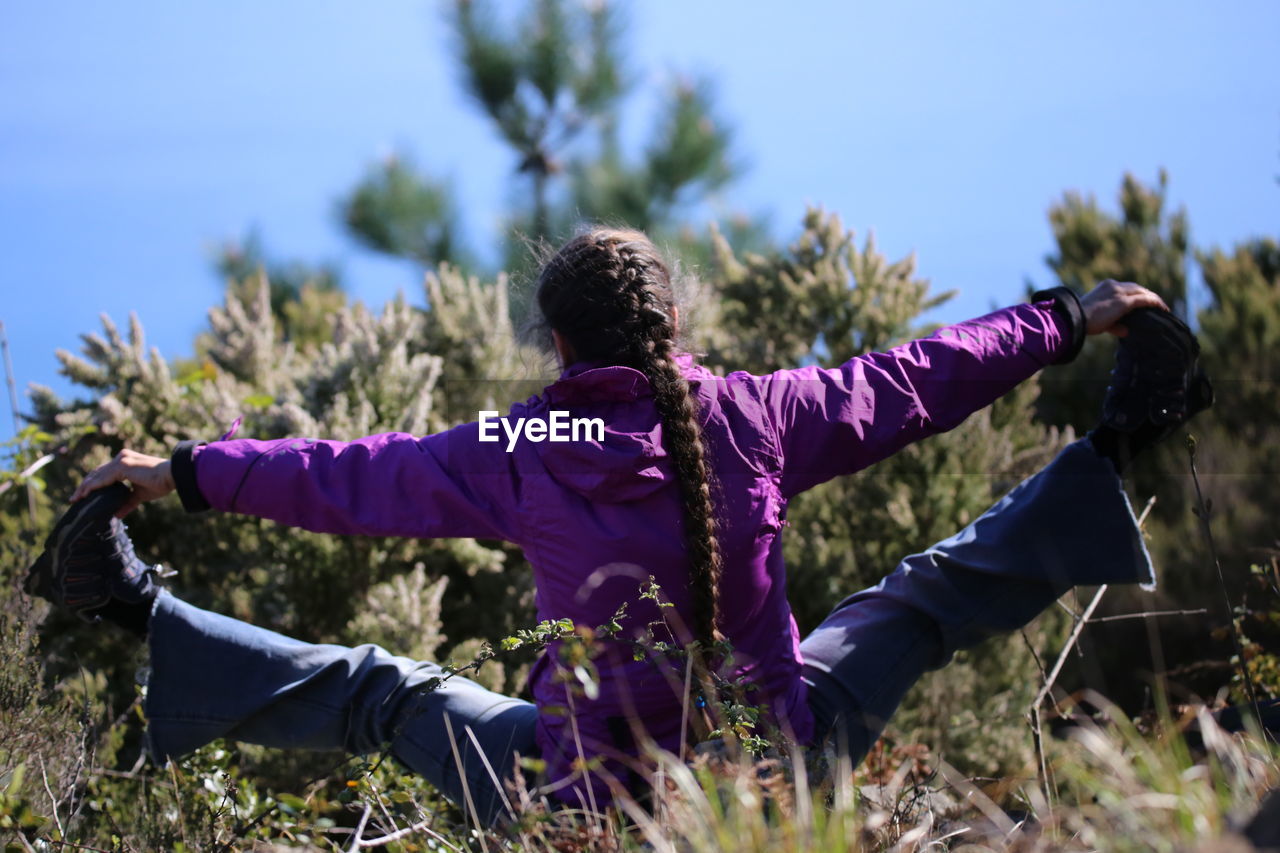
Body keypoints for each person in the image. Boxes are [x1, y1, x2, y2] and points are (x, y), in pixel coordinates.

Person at [25, 228, 1211, 826]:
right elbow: (917, 376)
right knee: (925, 593)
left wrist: (175, 469)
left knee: (379, 690)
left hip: (577, 805)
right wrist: (1067, 316)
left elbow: (341, 474)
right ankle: (1111, 448)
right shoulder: (760, 416)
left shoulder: (519, 455)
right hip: (776, 785)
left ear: (556, 344)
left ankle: (134, 606)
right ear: (675, 318)